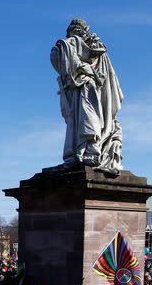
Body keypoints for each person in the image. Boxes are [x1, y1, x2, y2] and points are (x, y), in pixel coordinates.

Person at [50, 18, 124, 173]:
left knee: (87, 118)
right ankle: (86, 152)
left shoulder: (94, 49)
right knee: (83, 119)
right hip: (82, 88)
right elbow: (63, 60)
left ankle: (90, 152)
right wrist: (90, 72)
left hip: (88, 90)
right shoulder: (69, 44)